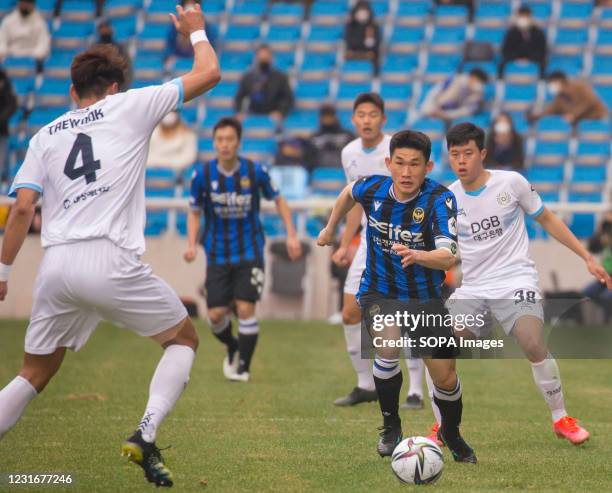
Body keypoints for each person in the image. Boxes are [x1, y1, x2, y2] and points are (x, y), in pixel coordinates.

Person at [0, 5, 220, 488]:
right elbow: (209, 73)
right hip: (109, 257)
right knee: (182, 340)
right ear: (115, 87)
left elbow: (22, 209)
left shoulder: (43, 135)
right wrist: (196, 29)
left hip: (55, 265)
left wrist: (2, 272)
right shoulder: (129, 104)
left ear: (73, 92)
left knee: (34, 373)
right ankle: (145, 433)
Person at [412, 123, 611, 447]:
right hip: (473, 288)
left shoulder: (511, 183)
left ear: (483, 154)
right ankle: (444, 428)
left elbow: (547, 218)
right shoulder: (446, 199)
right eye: (455, 154)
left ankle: (560, 417)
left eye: (468, 153)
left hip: (515, 280)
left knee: (532, 342)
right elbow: (443, 249)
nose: (461, 161)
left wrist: (586, 257)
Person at [318, 130, 477, 462]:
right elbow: (349, 192)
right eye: (400, 163)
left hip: (424, 298)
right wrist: (331, 228)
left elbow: (448, 255)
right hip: (379, 290)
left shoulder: (439, 199)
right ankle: (391, 426)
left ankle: (452, 432)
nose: (406, 173)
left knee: (445, 377)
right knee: (387, 348)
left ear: (428, 166)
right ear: (388, 163)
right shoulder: (373, 187)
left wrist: (418, 255)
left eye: (415, 165)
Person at [184, 117, 302, 382]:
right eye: (219, 140)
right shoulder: (202, 175)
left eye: (230, 140)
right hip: (217, 253)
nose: (224, 145)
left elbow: (280, 200)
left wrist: (291, 234)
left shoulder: (255, 171)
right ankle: (233, 345)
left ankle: (244, 368)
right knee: (215, 315)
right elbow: (194, 212)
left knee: (245, 308)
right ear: (214, 142)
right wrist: (191, 244)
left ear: (238, 142)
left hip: (250, 251)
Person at [331, 93, 426, 409]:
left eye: (373, 114)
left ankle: (415, 390)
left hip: (404, 241)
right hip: (370, 242)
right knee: (349, 311)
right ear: (354, 119)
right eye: (361, 114)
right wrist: (346, 243)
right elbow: (358, 200)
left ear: (383, 119)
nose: (367, 119)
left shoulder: (395, 150)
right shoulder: (349, 153)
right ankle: (364, 384)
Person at [234, 45, 294, 125]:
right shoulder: (248, 77)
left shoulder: (280, 77)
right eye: (261, 57)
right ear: (256, 58)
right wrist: (240, 112)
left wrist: (280, 112)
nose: (264, 59)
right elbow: (239, 97)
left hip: (273, 115)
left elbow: (288, 98)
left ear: (272, 58)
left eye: (266, 56)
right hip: (253, 114)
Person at [527, 71, 608, 125]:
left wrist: (573, 114)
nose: (551, 86)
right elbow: (551, 110)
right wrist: (537, 116)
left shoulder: (579, 87)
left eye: (552, 83)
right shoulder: (559, 97)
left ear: (560, 81)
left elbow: (590, 101)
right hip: (579, 123)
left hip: (597, 118)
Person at [418, 68, 488, 124]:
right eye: (478, 81)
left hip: (451, 118)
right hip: (433, 108)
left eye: (481, 83)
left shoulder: (478, 95)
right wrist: (433, 109)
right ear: (472, 78)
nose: (478, 85)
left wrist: (445, 115)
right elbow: (434, 93)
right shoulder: (453, 80)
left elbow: (465, 111)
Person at [0, 0, 51, 71]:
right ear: (19, 3)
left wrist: (31, 58)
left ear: (33, 5)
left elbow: (43, 45)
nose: (25, 5)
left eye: (28, 3)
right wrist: (5, 54)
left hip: (32, 62)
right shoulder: (8, 21)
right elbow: (2, 42)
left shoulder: (40, 23)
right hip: (10, 60)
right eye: (23, 2)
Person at [499, 5, 547, 78]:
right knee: (501, 64)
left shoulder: (539, 33)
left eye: (526, 17)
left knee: (543, 64)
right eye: (521, 17)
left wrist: (528, 59)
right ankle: (501, 83)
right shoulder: (511, 32)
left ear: (531, 17)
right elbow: (505, 51)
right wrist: (517, 58)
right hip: (514, 58)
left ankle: (540, 83)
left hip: (534, 59)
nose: (523, 19)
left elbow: (542, 51)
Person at [583, 212, 612, 321]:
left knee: (607, 297)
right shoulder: (604, 236)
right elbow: (592, 248)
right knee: (587, 292)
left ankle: (606, 322)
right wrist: (600, 231)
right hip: (604, 277)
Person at [309, 103, 354, 169]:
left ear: (335, 116)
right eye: (325, 116)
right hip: (320, 169)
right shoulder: (315, 137)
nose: (327, 119)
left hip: (342, 169)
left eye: (330, 116)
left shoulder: (347, 135)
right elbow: (310, 157)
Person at [95, 18, 133, 90]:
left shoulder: (120, 48)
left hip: (119, 88)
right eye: (102, 27)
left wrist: (123, 88)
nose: (105, 30)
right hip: (100, 89)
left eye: (107, 27)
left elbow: (128, 69)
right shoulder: (94, 49)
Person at [344, 0, 381, 75]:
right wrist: (362, 49)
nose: (362, 13)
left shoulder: (373, 26)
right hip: (353, 55)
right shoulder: (350, 26)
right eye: (360, 10)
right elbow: (349, 42)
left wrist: (368, 48)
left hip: (371, 56)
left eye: (364, 10)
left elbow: (377, 42)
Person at [0, 68, 18, 188]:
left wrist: (1, 118)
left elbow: (12, 103)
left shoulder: (3, 78)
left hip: (1, 131)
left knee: (2, 165)